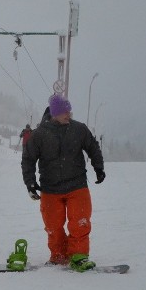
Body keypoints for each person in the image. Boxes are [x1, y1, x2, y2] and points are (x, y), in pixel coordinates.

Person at [21, 94, 105, 271]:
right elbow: (28, 159)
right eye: (64, 112)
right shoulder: (39, 134)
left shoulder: (79, 129)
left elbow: (93, 147)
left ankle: (79, 256)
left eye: (69, 110)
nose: (69, 114)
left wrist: (99, 168)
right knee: (53, 226)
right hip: (51, 188)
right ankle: (59, 256)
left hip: (77, 186)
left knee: (80, 222)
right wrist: (30, 183)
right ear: (54, 113)